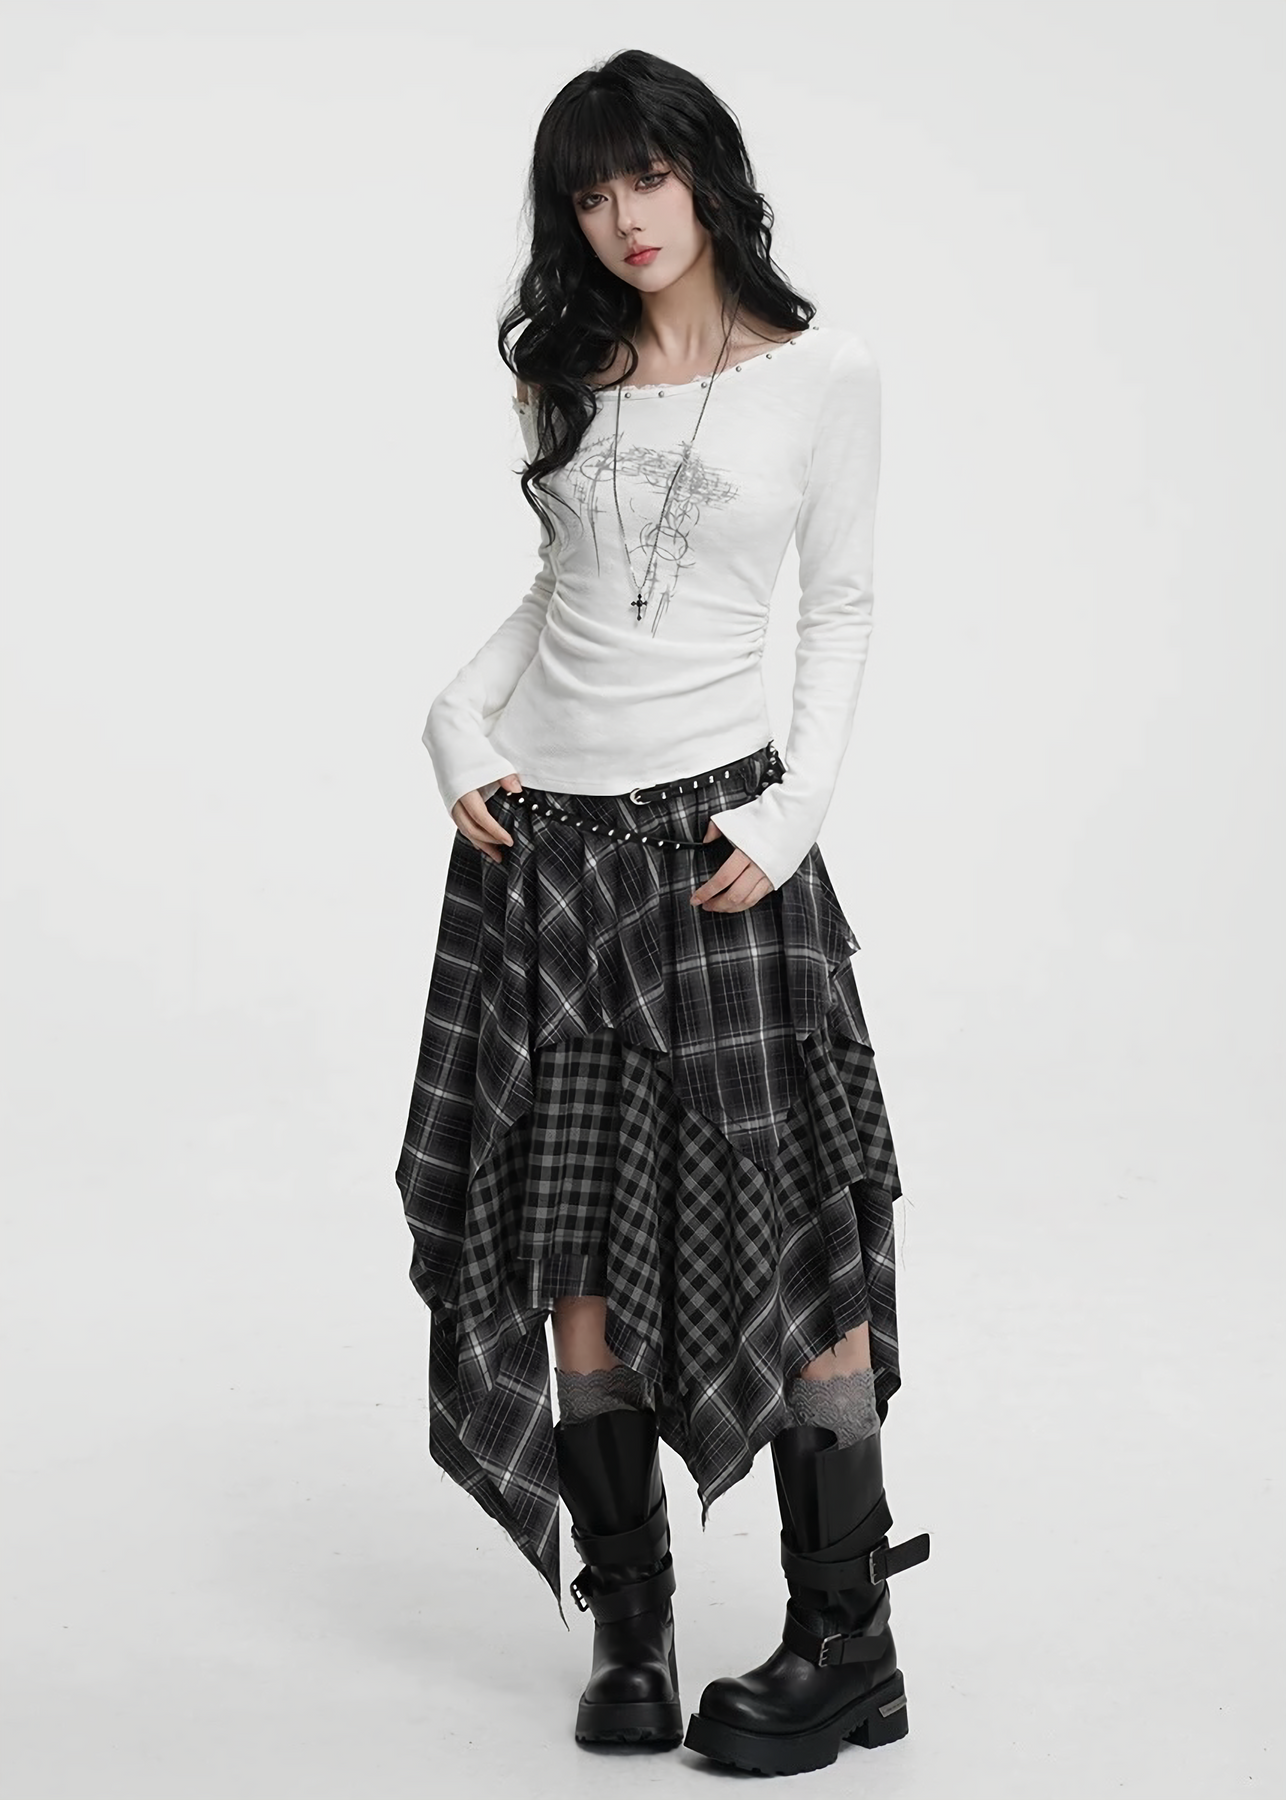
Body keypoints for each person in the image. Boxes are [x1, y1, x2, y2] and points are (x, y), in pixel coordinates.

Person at [394, 46, 930, 1779]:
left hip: (718, 850)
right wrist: (453, 716)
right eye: (587, 191)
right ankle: (629, 1627)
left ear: (705, 174)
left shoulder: (823, 373)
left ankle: (845, 1640)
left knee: (795, 1223)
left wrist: (795, 809)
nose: (621, 217)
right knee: (573, 1241)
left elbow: (839, 608)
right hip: (544, 850)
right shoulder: (563, 372)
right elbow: (568, 593)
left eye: (645, 176)